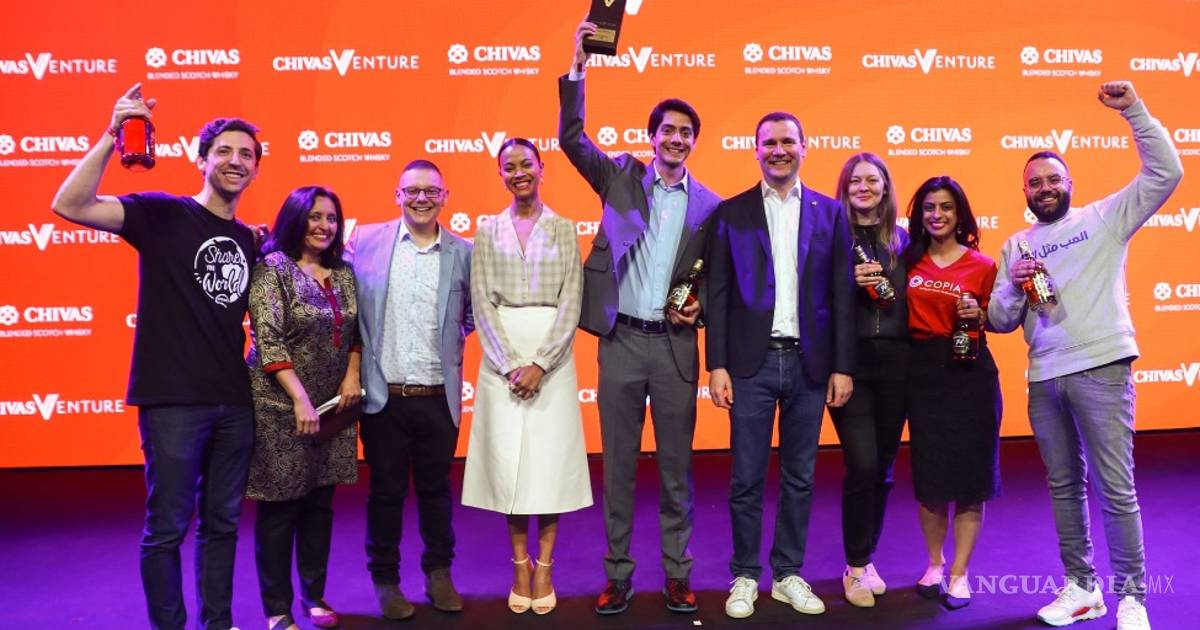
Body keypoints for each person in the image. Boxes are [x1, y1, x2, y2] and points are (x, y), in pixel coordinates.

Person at [51, 83, 261, 630]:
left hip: (235, 403)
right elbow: (69, 204)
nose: (235, 161)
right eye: (223, 151)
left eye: (246, 154)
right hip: (173, 403)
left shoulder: (250, 240)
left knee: (222, 526)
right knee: (167, 529)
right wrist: (113, 134)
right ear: (201, 159)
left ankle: (218, 624)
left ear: (256, 170)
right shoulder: (163, 213)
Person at [988, 81, 1182, 630]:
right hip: (1044, 377)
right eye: (1035, 182)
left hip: (1101, 368)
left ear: (1070, 183)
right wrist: (1013, 285)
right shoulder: (1016, 245)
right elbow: (1000, 320)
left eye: (1053, 179)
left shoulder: (1104, 218)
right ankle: (1081, 588)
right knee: (1064, 488)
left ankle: (1132, 599)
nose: (1045, 187)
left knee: (1116, 489)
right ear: (1025, 192)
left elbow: (1167, 172)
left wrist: (1135, 111)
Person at [559, 20, 721, 615]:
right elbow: (571, 138)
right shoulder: (620, 176)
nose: (676, 139)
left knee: (677, 472)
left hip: (675, 349)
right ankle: (619, 575)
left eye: (686, 133)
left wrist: (702, 312)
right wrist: (578, 64)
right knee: (620, 469)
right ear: (652, 137)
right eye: (667, 130)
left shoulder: (710, 206)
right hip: (622, 342)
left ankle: (678, 574)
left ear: (693, 142)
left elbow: (715, 282)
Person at [706, 111, 855, 619]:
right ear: (756, 151)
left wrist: (842, 366)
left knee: (800, 477)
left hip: (811, 365)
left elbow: (841, 295)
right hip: (750, 364)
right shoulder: (731, 213)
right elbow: (718, 294)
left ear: (804, 147)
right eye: (768, 142)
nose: (779, 150)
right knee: (746, 476)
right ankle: (745, 575)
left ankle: (788, 573)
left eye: (788, 141)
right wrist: (717, 364)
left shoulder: (830, 213)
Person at [462, 138, 593, 615]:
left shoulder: (563, 228)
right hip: (502, 362)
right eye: (508, 167)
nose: (518, 172)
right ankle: (520, 565)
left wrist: (540, 364)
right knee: (510, 469)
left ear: (541, 167)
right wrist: (509, 364)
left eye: (525, 164)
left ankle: (546, 568)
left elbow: (571, 301)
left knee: (548, 467)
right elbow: (481, 302)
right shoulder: (487, 231)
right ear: (500, 174)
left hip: (552, 361)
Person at [350, 160, 474, 620]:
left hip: (438, 398)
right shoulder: (365, 242)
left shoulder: (464, 252)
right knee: (385, 494)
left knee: (436, 492)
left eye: (431, 191)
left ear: (445, 196)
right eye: (413, 191)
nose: (422, 198)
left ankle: (439, 573)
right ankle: (385, 579)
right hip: (384, 397)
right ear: (398, 195)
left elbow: (471, 315)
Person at [245, 186, 362, 630]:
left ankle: (314, 595)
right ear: (296, 218)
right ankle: (277, 609)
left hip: (333, 407)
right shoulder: (271, 269)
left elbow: (356, 332)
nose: (324, 226)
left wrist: (352, 375)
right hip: (280, 407)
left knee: (319, 504)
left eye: (331, 218)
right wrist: (299, 398)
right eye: (315, 216)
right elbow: (268, 340)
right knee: (280, 510)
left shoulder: (344, 271)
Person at [902, 175, 1001, 610]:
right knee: (931, 479)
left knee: (971, 480)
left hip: (971, 374)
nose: (937, 215)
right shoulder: (907, 260)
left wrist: (979, 313)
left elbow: (999, 318)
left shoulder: (983, 265)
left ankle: (960, 573)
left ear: (959, 214)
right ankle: (934, 563)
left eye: (945, 207)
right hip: (922, 373)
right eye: (929, 207)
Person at [830, 153, 910, 608]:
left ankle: (866, 558)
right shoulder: (831, 237)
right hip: (851, 365)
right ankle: (855, 566)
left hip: (898, 365)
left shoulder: (903, 240)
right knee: (861, 464)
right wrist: (848, 280)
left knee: (882, 468)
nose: (864, 187)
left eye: (872, 180)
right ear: (845, 188)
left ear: (885, 187)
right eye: (855, 180)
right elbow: (814, 298)